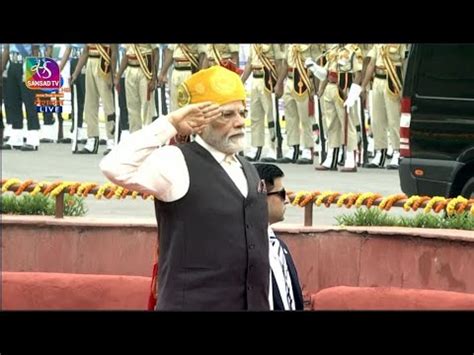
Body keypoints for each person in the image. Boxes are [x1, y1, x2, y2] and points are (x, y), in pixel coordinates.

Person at [100, 66, 270, 311]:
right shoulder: (176, 162)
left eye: (242, 113)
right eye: (227, 115)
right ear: (199, 123)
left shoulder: (248, 169)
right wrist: (169, 124)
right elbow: (114, 166)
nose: (240, 122)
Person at [254, 163, 304, 311]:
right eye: (281, 194)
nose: (287, 200)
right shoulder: (245, 251)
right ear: (262, 195)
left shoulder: (279, 246)